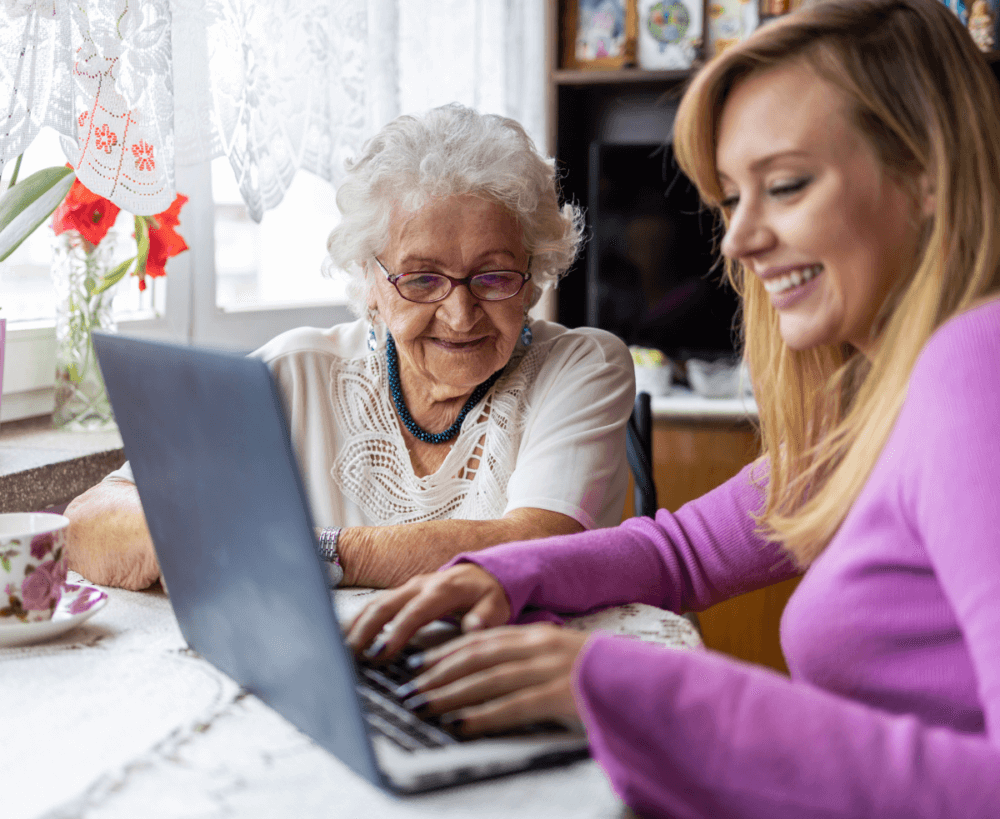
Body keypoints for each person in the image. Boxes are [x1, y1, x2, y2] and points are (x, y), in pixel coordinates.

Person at [346, 0, 1000, 819]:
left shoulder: (977, 368)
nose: (738, 237)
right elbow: (685, 551)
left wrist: (620, 688)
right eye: (732, 198)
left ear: (927, 171)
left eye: (788, 185)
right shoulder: (879, 400)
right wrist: (502, 576)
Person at [65, 104, 635, 591]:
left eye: (493, 277)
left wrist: (303, 554)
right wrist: (192, 540)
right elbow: (92, 520)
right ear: (369, 281)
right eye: (421, 279)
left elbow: (536, 547)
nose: (460, 316)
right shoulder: (293, 375)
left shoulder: (582, 367)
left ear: (534, 278)